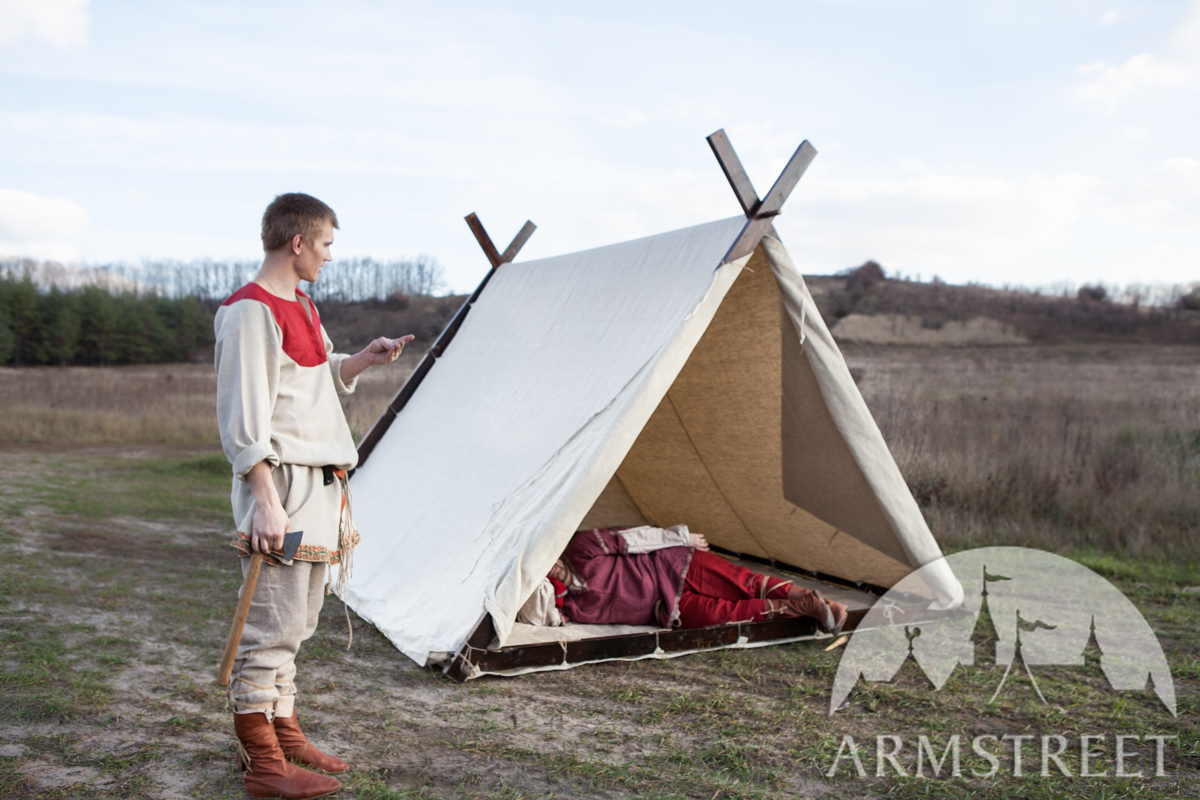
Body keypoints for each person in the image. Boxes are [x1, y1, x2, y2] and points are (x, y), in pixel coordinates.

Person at [215, 193, 414, 800]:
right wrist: (264, 500)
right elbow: (243, 415)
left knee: (297, 623)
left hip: (319, 484)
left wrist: (362, 361)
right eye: (326, 244)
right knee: (271, 625)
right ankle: (264, 766)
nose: (329, 255)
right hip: (282, 485)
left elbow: (318, 377)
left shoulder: (301, 303)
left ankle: (285, 732)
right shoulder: (250, 312)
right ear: (297, 242)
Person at [517, 525, 848, 633]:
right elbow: (534, 615)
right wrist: (540, 586)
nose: (550, 569)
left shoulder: (580, 548)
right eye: (542, 573)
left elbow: (633, 539)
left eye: (547, 562)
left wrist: (679, 538)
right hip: (666, 607)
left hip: (676, 564)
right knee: (726, 616)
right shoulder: (566, 608)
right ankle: (806, 607)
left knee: (745, 584)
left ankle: (821, 603)